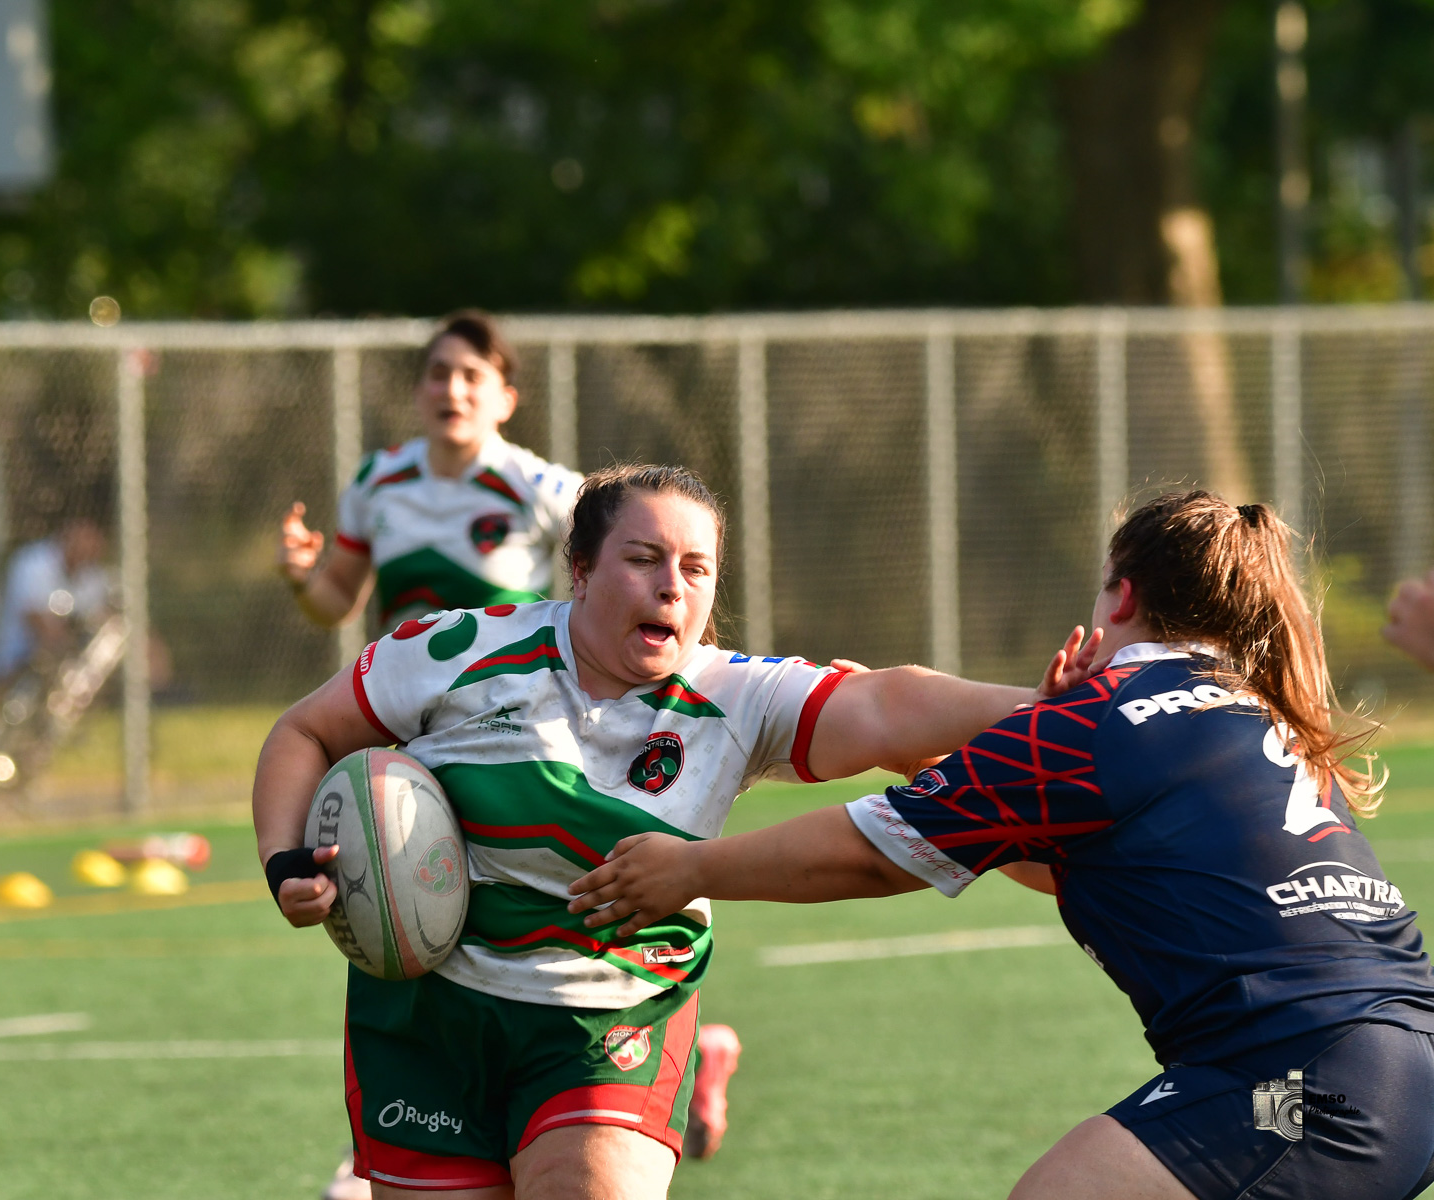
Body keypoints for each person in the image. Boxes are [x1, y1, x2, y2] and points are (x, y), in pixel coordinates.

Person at [254, 463, 1098, 1199]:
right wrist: (286, 862)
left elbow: (884, 702)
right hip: (427, 1021)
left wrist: (1035, 707)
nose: (674, 587)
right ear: (580, 571)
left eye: (697, 569)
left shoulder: (732, 696)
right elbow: (305, 732)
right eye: (644, 559)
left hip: (609, 1020)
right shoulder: (457, 651)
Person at [569, 491, 1434, 1200]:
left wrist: (687, 867)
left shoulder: (1092, 722)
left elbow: (869, 854)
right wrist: (963, 769)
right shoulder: (1253, 714)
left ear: (1121, 597)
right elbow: (1080, 864)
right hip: (1394, 1074)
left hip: (1296, 1090)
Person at [277, 310, 580, 633]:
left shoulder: (544, 488)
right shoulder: (375, 480)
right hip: (399, 685)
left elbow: (612, 579)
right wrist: (305, 577)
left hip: (514, 686)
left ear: (506, 401)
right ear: (418, 392)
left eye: (472, 376)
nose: (452, 390)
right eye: (439, 374)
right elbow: (337, 599)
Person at [0, 517, 112, 683]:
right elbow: (38, 623)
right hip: (24, 655)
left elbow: (103, 619)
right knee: (50, 647)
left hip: (76, 655)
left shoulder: (94, 574)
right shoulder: (32, 563)